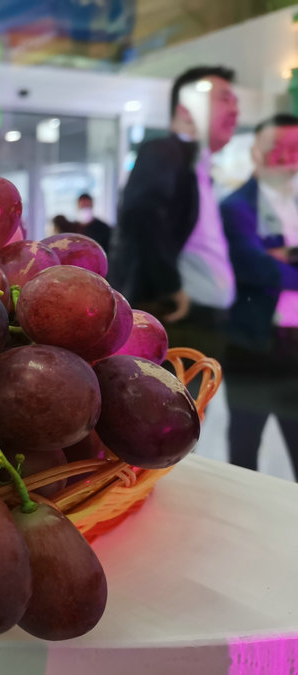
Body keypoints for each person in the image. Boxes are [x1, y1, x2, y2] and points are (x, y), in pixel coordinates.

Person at [108, 65, 240, 360]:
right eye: (224, 99)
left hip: (201, 317)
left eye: (235, 101)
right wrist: (169, 286)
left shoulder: (197, 166)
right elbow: (142, 211)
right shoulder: (164, 151)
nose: (235, 109)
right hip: (177, 317)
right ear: (186, 109)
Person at [220, 113, 298, 476]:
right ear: (255, 150)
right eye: (275, 146)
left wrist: (283, 255)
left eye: (294, 147)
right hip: (253, 343)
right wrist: (274, 259)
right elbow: (255, 267)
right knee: (245, 445)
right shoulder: (235, 208)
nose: (286, 156)